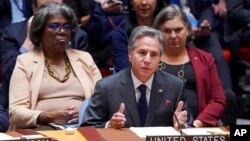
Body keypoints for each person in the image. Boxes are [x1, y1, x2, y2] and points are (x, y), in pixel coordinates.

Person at [8, 2, 102, 130]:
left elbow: (101, 100)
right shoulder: (25, 61)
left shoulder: (84, 58)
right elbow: (16, 113)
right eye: (54, 26)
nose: (62, 31)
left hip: (84, 125)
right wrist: (48, 117)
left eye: (67, 26)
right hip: (42, 127)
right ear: (40, 31)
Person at [81, 26, 188, 129]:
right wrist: (108, 126)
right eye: (142, 52)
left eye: (154, 54)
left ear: (160, 58)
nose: (147, 60)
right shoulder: (106, 87)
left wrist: (182, 125)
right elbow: (87, 128)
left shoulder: (175, 86)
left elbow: (189, 125)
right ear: (130, 54)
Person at [0, 0, 89, 109]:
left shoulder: (75, 34)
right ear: (34, 9)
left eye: (58, 6)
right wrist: (30, 40)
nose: (55, 12)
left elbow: (90, 84)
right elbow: (8, 74)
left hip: (75, 110)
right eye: (47, 7)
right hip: (27, 107)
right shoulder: (13, 32)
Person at [153, 5, 227, 127]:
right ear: (158, 33)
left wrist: (196, 125)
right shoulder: (150, 59)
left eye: (178, 30)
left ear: (187, 30)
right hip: (159, 128)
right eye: (167, 31)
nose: (173, 36)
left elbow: (218, 100)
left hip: (198, 126)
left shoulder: (205, 59)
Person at [112, 0, 164, 72]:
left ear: (157, 2)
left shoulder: (168, 30)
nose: (144, 3)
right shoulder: (122, 33)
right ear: (131, 1)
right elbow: (123, 72)